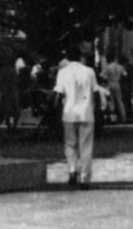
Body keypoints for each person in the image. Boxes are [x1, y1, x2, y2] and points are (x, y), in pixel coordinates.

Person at [53, 45, 107, 188]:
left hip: (69, 114)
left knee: (70, 144)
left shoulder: (62, 72)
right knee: (86, 147)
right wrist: (97, 111)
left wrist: (56, 113)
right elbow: (95, 92)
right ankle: (84, 178)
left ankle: (72, 170)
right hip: (87, 113)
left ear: (67, 58)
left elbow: (58, 95)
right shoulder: (89, 71)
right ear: (80, 57)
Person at [100, 54, 127, 124]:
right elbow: (125, 74)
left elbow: (102, 75)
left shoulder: (108, 67)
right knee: (119, 101)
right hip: (117, 83)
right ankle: (123, 117)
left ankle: (113, 118)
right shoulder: (120, 66)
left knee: (111, 101)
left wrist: (106, 78)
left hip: (110, 83)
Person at [121, 56, 133, 123]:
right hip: (129, 85)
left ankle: (126, 115)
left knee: (124, 101)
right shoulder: (131, 66)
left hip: (123, 85)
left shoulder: (122, 67)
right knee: (129, 101)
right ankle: (131, 116)